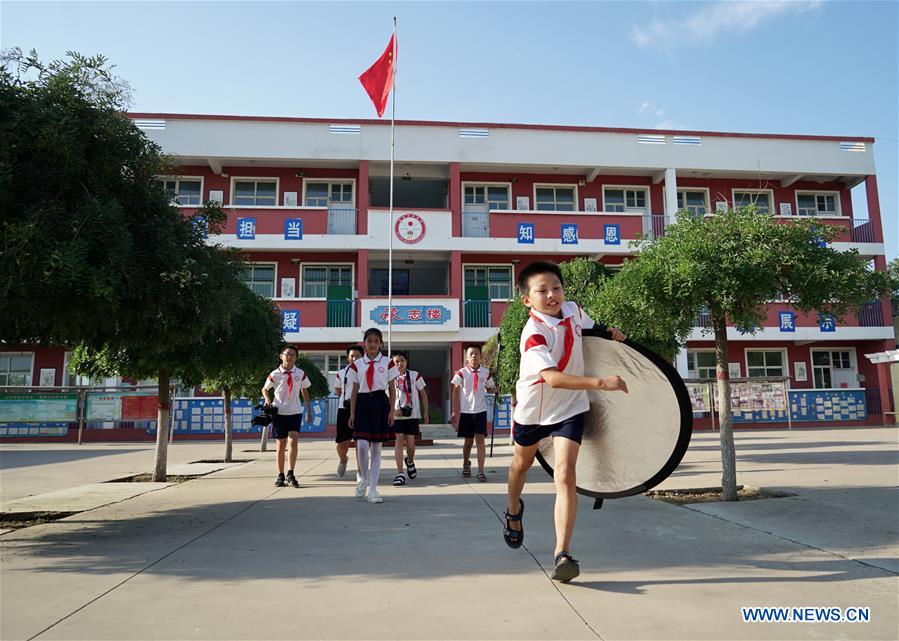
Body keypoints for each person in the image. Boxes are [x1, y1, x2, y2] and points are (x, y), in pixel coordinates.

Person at [504, 261, 628, 583]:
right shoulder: (533, 334)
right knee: (521, 465)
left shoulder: (572, 309)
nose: (552, 295)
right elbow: (553, 379)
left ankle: (563, 553)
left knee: (566, 474)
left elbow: (588, 327)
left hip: (570, 407)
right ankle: (513, 511)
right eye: (542, 291)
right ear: (527, 300)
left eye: (556, 287)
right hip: (534, 410)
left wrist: (607, 331)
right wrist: (601, 383)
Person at [347, 328, 398, 504]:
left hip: (380, 403)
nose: (373, 344)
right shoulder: (357, 364)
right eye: (369, 341)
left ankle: (373, 490)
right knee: (361, 445)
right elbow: (353, 390)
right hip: (362, 404)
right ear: (364, 343)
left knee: (376, 448)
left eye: (376, 341)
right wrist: (352, 412)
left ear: (381, 344)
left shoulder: (388, 362)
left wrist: (392, 410)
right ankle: (362, 477)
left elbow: (392, 388)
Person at [261, 344, 313, 488]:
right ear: (281, 356)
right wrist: (267, 398)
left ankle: (291, 473)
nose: (289, 357)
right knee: (280, 445)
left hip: (295, 412)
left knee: (293, 441)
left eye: (293, 355)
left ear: (296, 358)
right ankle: (280, 475)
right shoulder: (275, 374)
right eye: (287, 354)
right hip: (279, 413)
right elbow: (265, 389)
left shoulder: (300, 373)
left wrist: (308, 409)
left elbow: (305, 390)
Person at [451, 346, 496, 482]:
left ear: (480, 356)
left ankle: (481, 471)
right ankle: (466, 462)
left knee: (480, 440)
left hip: (480, 411)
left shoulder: (485, 372)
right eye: (471, 354)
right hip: (466, 412)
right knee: (468, 441)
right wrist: (454, 410)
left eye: (476, 353)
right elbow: (456, 391)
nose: (474, 356)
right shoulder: (461, 373)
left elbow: (489, 389)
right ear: (467, 357)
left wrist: (496, 389)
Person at [391, 353, 429, 486]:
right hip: (396, 416)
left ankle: (410, 461)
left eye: (402, 361)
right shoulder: (389, 377)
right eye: (396, 361)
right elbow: (385, 397)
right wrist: (391, 411)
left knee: (411, 446)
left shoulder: (414, 375)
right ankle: (400, 473)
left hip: (412, 415)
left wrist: (425, 412)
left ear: (406, 362)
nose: (399, 363)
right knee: (399, 441)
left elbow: (423, 393)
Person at [334, 344, 364, 479]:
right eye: (352, 356)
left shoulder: (365, 371)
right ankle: (343, 459)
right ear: (348, 358)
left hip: (361, 409)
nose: (355, 358)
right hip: (344, 409)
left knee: (361, 442)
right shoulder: (341, 373)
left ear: (362, 357)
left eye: (358, 356)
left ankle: (360, 471)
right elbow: (338, 391)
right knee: (342, 443)